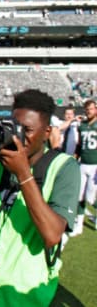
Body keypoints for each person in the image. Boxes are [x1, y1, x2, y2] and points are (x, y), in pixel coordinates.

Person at [0, 89, 80, 307]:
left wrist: (23, 174)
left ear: (47, 132)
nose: (19, 137)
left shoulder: (63, 167)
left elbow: (52, 235)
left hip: (22, 290)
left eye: (27, 130)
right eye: (15, 127)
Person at [73, 99, 97, 236]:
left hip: (95, 165)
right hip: (83, 164)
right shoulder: (82, 125)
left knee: (90, 198)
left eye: (91, 109)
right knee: (79, 197)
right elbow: (79, 145)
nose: (89, 112)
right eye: (87, 110)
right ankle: (79, 225)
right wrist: (74, 159)